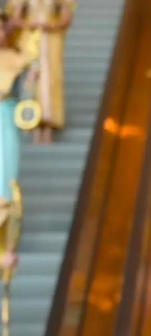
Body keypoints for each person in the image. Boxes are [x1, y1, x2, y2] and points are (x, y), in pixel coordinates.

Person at [18, 0, 72, 144]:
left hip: (51, 38)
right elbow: (16, 17)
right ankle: (32, 121)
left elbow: (67, 17)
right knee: (32, 78)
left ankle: (50, 122)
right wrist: (31, 25)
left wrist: (52, 25)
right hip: (30, 40)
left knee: (51, 78)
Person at [0, 9, 31, 248]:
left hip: (8, 111)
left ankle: (7, 219)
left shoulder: (15, 57)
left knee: (8, 163)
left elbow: (28, 90)